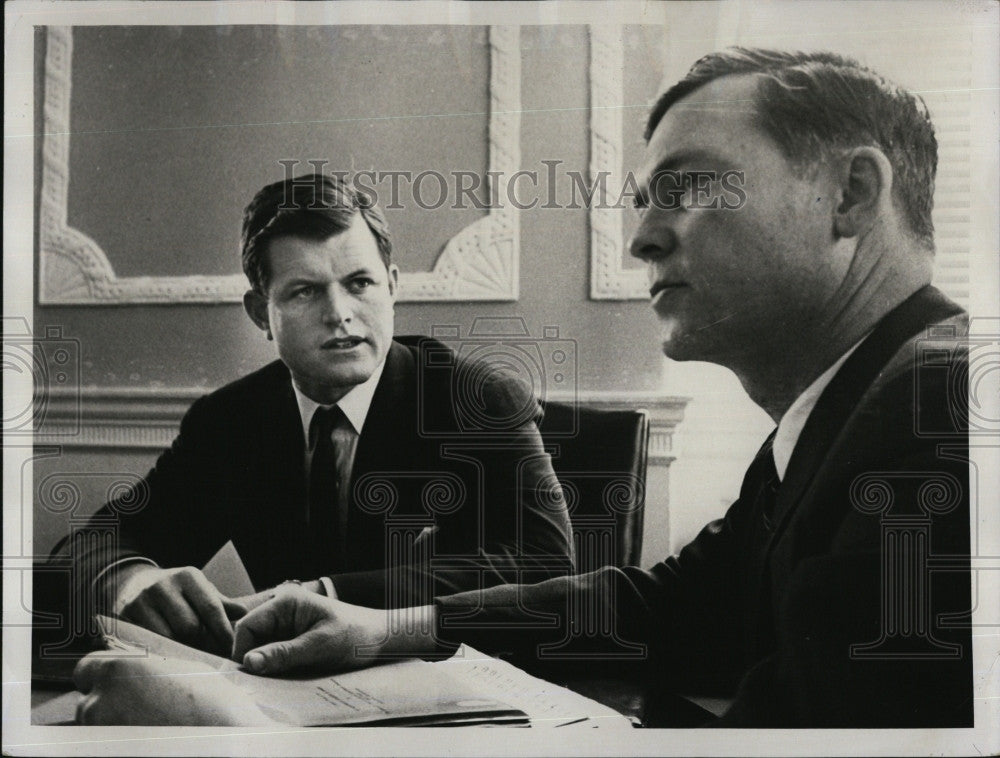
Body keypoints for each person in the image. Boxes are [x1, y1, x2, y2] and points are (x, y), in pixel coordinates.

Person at [75, 48, 973, 728]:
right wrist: (382, 629)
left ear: (853, 195)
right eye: (304, 291)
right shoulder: (852, 410)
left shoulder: (934, 421)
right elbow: (671, 605)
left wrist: (226, 736)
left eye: (689, 187)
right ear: (261, 311)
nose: (642, 241)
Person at [47, 173, 573, 658]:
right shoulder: (230, 420)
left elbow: (548, 563)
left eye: (360, 283)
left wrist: (326, 593)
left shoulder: (476, 399)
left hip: (447, 688)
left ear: (393, 286)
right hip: (289, 695)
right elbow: (93, 543)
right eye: (305, 291)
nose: (339, 312)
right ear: (261, 313)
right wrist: (127, 578)